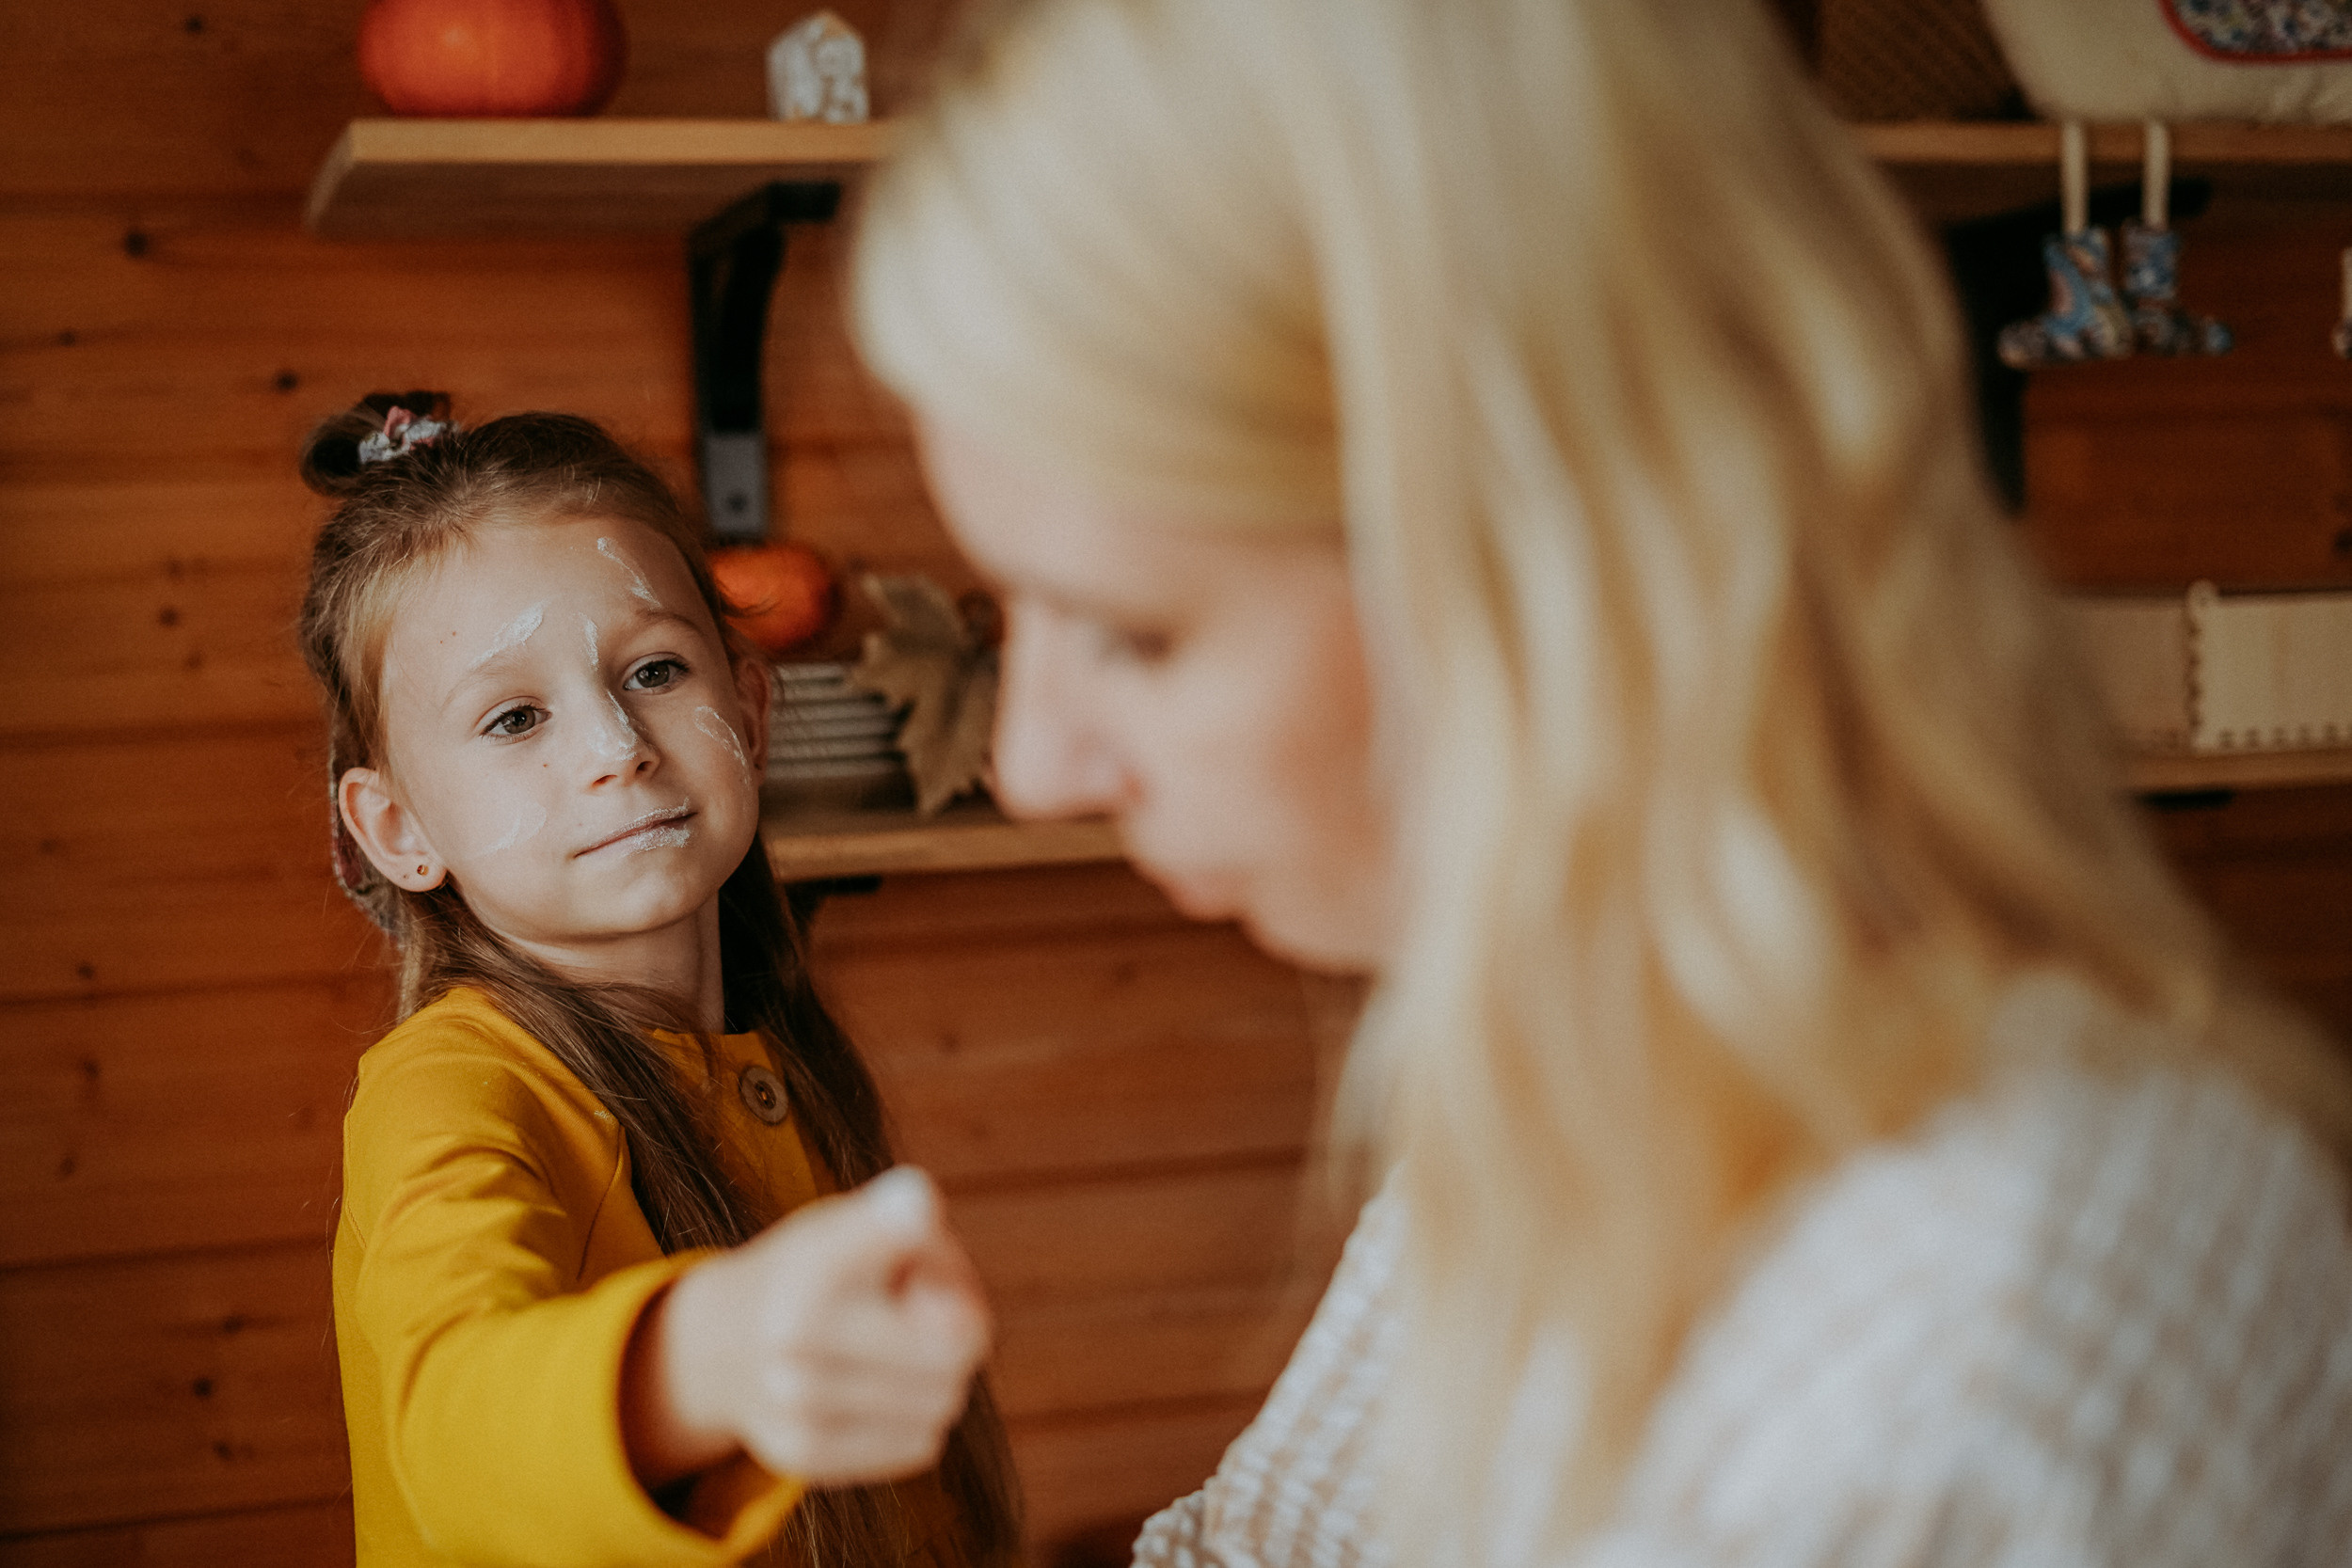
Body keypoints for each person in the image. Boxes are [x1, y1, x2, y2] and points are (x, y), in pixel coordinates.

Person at [849, 0, 2352, 1563]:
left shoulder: (1974, 1332)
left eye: (1133, 632)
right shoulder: (1570, 1056)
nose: (1029, 762)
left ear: (1552, 560)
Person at [298, 397, 1022, 1568]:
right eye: (516, 715)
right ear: (396, 826)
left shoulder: (778, 1054)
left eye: (653, 668)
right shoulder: (443, 1092)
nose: (613, 746)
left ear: (750, 703)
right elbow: (455, 1421)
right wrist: (697, 1362)